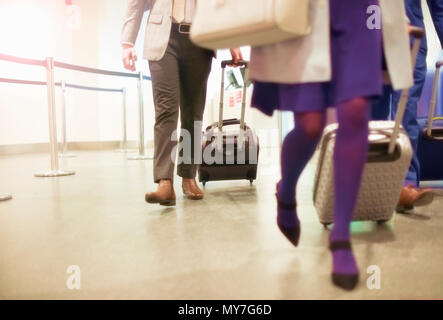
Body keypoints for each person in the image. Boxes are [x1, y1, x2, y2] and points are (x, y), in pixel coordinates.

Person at [249, 0, 413, 290]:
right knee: (310, 125)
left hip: (361, 11)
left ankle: (341, 236)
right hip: (301, 9)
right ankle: (286, 190)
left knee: (355, 109)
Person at [121, 0, 242, 206]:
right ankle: (164, 181)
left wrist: (232, 40)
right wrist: (127, 42)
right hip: (162, 38)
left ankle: (188, 175)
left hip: (200, 39)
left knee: (193, 111)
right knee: (166, 110)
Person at [371, 0, 443, 213]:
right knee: (373, 117)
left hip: (409, 39)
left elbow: (437, 3)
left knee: (405, 113)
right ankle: (373, 184)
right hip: (370, 35)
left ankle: (406, 184)